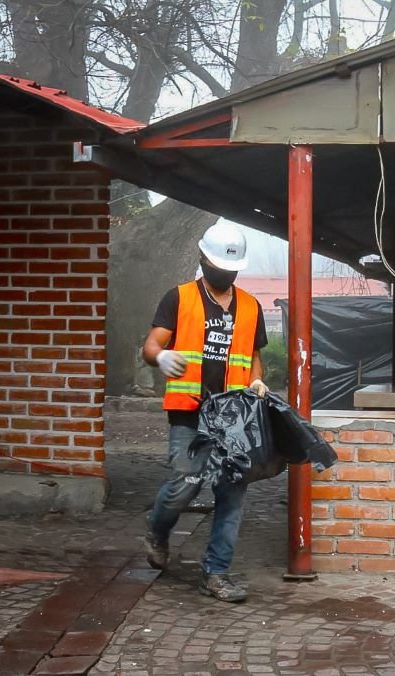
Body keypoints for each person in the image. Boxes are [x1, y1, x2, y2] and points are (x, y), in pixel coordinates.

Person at [143, 221, 269, 602]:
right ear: (202, 258)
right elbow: (151, 345)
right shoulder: (179, 298)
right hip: (189, 413)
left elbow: (254, 357)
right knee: (186, 484)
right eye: (220, 265)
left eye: (233, 268)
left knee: (231, 495)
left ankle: (217, 573)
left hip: (234, 418)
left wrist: (257, 381)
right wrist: (160, 357)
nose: (226, 272)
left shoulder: (250, 306)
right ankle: (158, 531)